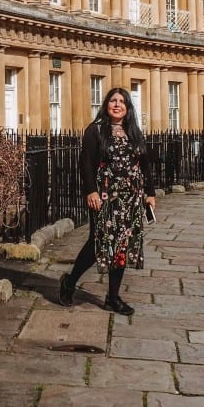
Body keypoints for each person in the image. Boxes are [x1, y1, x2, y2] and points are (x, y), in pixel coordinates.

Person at [58, 87, 156, 315]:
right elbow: (87, 164)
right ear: (106, 104)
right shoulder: (96, 131)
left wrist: (149, 193)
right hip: (104, 197)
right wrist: (90, 191)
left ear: (127, 107)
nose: (117, 104)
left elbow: (144, 165)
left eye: (122, 101)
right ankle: (69, 282)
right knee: (98, 243)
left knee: (121, 245)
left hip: (130, 198)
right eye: (113, 100)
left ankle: (113, 297)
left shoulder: (134, 132)